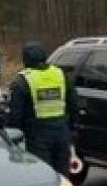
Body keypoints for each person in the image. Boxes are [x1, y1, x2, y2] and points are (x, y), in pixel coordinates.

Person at [7, 41, 78, 175]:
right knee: (62, 176)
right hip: (62, 133)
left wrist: (14, 139)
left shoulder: (22, 81)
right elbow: (74, 104)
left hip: (37, 136)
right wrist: (73, 129)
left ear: (25, 59)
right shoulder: (60, 74)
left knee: (44, 175)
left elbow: (15, 115)